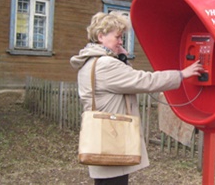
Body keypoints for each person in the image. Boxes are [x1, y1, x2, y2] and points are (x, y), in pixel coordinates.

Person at [70, 11, 203, 185]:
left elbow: (124, 79)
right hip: (112, 138)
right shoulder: (106, 64)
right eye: (118, 37)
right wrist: (182, 74)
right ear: (101, 36)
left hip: (103, 137)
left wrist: (122, 57)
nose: (120, 42)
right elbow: (145, 80)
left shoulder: (91, 61)